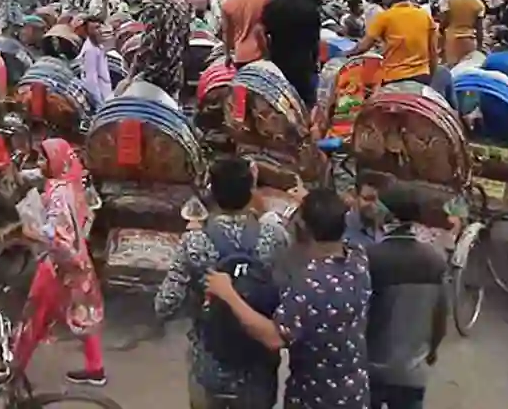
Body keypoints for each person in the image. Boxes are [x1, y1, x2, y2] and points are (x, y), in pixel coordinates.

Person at [206, 188, 370, 409]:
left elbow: (273, 337)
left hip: (315, 398)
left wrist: (228, 294)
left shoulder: (308, 286)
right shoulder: (358, 261)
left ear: (302, 229)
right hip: (355, 392)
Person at [155, 157, 290, 408]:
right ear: (251, 192)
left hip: (211, 366)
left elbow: (165, 305)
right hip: (258, 366)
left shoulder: (196, 242)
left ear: (212, 195)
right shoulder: (274, 236)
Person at [14, 141, 106, 385]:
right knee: (81, 310)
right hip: (78, 262)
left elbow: (57, 237)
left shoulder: (58, 194)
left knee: (34, 315)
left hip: (58, 266)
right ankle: (96, 367)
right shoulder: (71, 179)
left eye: (44, 160)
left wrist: (32, 232)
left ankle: (15, 368)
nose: (40, 164)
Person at [366, 183, 448, 409]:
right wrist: (432, 351)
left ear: (388, 215)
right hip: (411, 374)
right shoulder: (435, 260)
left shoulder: (370, 258)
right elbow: (440, 316)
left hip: (371, 369)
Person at [345, 0, 438, 87]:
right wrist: (430, 78)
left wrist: (347, 54)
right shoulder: (424, 15)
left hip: (394, 77)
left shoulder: (385, 17)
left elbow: (363, 47)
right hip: (422, 76)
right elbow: (433, 52)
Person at [261, 0, 321, 106]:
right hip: (304, 60)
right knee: (306, 100)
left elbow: (266, 34)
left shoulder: (274, 4)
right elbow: (315, 37)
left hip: (280, 59)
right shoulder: (309, 3)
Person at [129, 0, 189, 98]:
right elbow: (185, 42)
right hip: (175, 76)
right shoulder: (179, 9)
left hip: (155, 78)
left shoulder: (153, 9)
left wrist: (130, 76)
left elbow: (147, 48)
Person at [221, 0, 271, 68]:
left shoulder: (227, 2)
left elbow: (227, 33)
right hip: (262, 54)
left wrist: (227, 55)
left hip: (241, 56)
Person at [442, 0, 485, 67]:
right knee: (468, 66)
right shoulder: (479, 4)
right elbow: (479, 28)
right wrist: (480, 45)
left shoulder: (451, 1)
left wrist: (441, 31)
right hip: (469, 38)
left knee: (452, 66)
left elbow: (445, 20)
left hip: (452, 39)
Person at [343, 170, 390, 247]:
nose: (375, 205)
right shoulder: (341, 229)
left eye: (381, 200)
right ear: (355, 196)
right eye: (369, 199)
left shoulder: (389, 232)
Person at [78, 14, 112, 104]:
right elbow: (91, 80)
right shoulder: (90, 50)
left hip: (106, 92)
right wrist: (99, 103)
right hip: (101, 97)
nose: (100, 31)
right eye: (96, 29)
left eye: (99, 27)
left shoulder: (98, 47)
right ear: (87, 32)